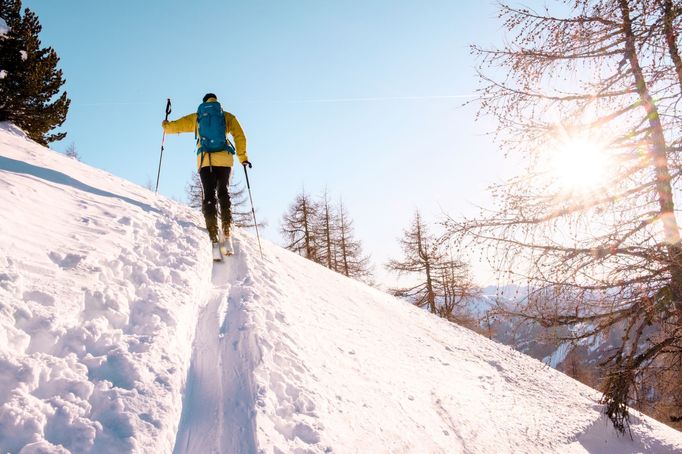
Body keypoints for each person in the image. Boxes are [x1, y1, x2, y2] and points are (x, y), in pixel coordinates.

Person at [162, 93, 251, 247]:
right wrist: (243, 157)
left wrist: (166, 126)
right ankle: (227, 227)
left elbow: (178, 126)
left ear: (204, 103)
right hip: (225, 160)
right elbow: (240, 136)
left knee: (209, 194)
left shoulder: (198, 116)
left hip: (205, 160)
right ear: (217, 101)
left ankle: (212, 231)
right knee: (223, 191)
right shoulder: (226, 116)